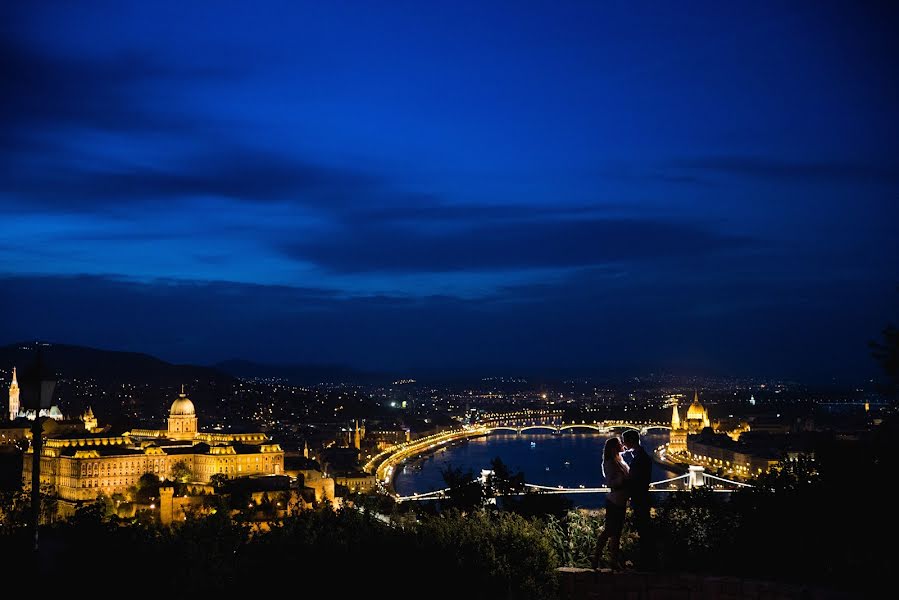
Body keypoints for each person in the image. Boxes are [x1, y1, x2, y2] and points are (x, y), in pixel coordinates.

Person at [621, 429, 659, 571]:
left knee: (644, 530)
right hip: (642, 497)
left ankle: (647, 563)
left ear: (631, 441)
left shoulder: (640, 457)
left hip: (640, 498)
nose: (623, 444)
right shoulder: (640, 455)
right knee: (644, 529)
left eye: (624, 440)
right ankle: (647, 561)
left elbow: (637, 480)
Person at [591, 436, 629, 570]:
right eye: (620, 443)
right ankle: (596, 558)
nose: (622, 444)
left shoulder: (620, 460)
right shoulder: (609, 463)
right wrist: (623, 480)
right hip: (615, 500)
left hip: (621, 499)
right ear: (614, 447)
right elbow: (611, 482)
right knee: (609, 530)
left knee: (617, 532)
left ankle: (613, 560)